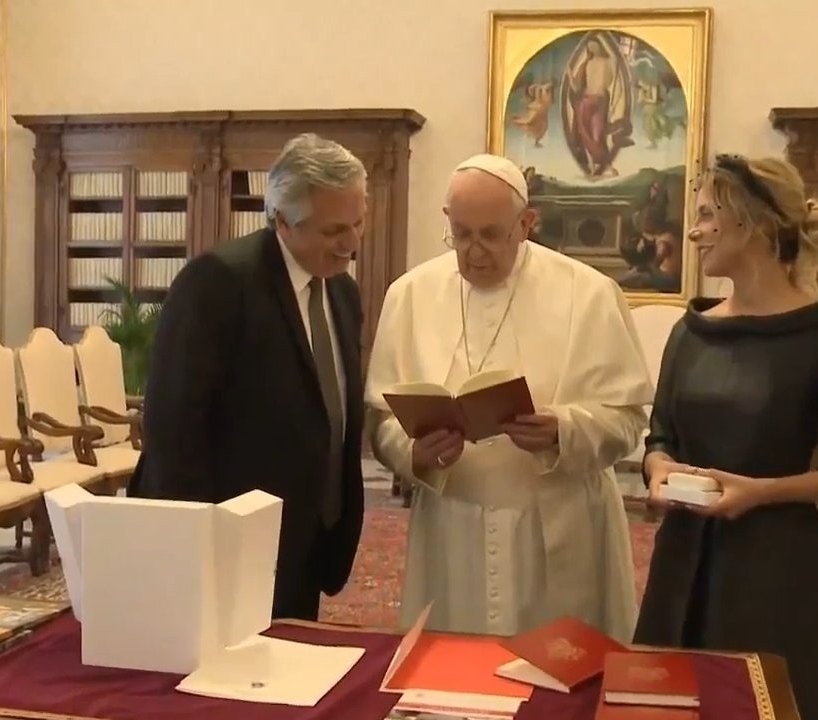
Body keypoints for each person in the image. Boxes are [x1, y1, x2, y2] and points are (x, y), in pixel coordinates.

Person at [633, 153, 818, 720]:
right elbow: (661, 435)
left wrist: (759, 492)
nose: (693, 232)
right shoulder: (690, 330)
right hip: (682, 558)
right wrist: (659, 470)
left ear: (752, 223)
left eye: (705, 216)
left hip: (775, 566)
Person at [365, 153, 654, 645]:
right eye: (461, 235)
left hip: (559, 526)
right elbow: (385, 419)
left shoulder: (589, 294)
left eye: (491, 235)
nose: (474, 253)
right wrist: (414, 452)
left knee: (559, 681)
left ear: (526, 224)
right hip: (453, 527)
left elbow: (626, 419)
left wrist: (563, 430)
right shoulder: (409, 295)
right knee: (454, 677)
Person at [128, 133, 368, 621]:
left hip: (308, 540)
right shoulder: (217, 283)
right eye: (333, 230)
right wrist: (199, 552)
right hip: (231, 548)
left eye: (359, 224)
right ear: (282, 221)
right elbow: (173, 433)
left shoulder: (341, 293)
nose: (352, 244)